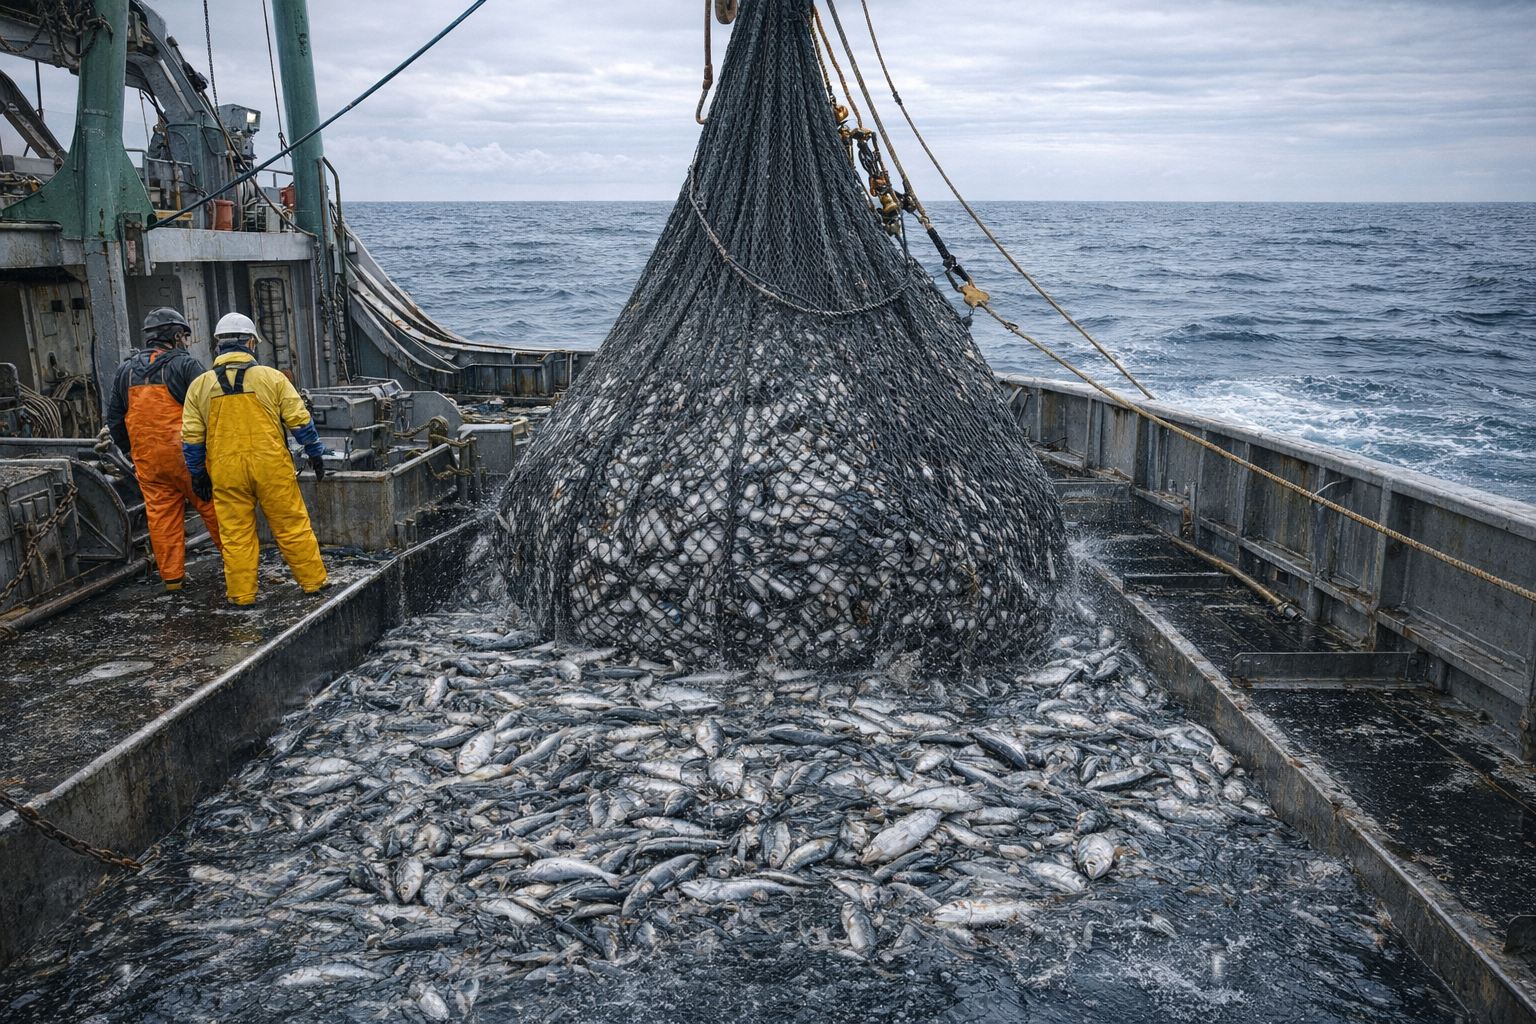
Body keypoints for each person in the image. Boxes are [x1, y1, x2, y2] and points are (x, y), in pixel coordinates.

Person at [181, 312, 328, 606]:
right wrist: (315, 453)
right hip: (271, 466)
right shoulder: (271, 378)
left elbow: (191, 437)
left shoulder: (200, 385)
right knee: (291, 525)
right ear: (250, 342)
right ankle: (313, 584)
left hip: (226, 471)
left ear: (218, 346)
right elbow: (299, 421)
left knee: (236, 535)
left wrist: (198, 474)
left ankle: (242, 596)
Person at [105, 307, 222, 592]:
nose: (185, 341)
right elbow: (214, 411)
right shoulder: (186, 366)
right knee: (218, 511)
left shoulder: (125, 370)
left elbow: (114, 419)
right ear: (176, 335)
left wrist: (132, 454)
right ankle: (240, 568)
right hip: (190, 459)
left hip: (149, 463)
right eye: (183, 335)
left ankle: (172, 581)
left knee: (162, 518)